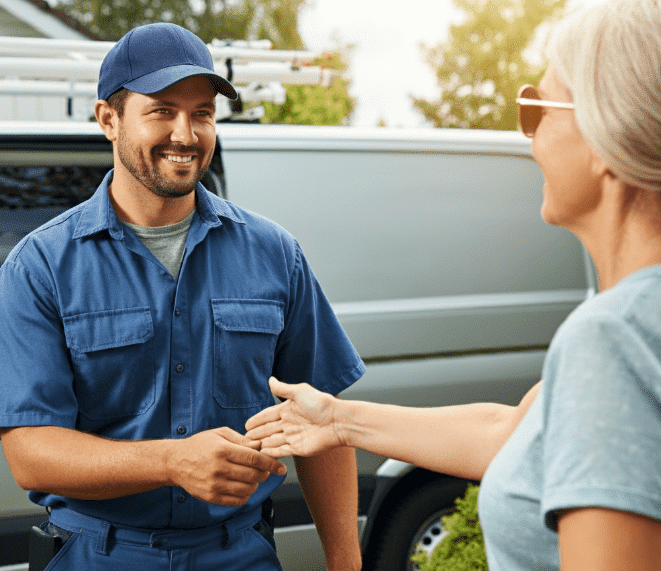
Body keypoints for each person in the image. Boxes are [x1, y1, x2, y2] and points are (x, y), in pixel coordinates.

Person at [246, 1, 661, 569]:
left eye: (537, 108)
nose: (529, 135)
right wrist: (338, 420)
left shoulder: (612, 338)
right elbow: (510, 432)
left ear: (608, 131)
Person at [0, 23, 365, 571]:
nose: (186, 134)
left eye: (202, 113)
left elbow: (324, 423)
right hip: (98, 555)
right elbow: (31, 454)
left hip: (238, 554)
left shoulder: (274, 253)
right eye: (162, 110)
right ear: (108, 120)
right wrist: (172, 461)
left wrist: (345, 561)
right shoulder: (41, 266)